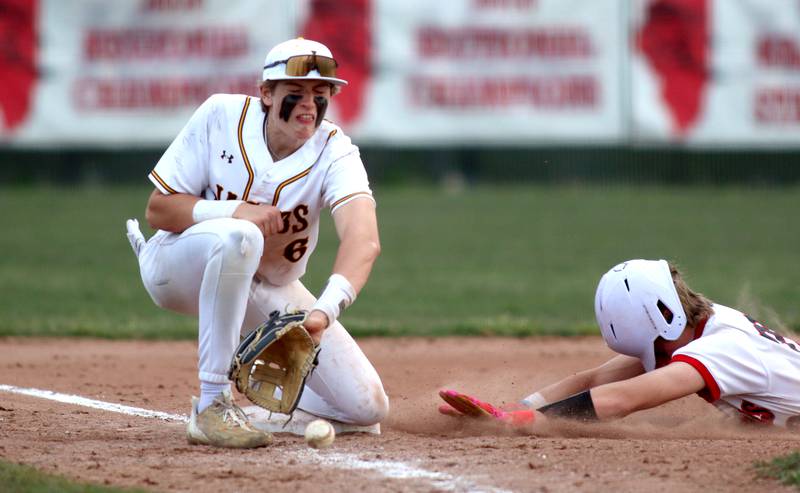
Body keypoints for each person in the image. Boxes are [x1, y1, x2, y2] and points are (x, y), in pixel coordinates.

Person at [125, 38, 389, 448]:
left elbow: (363, 239)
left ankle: (269, 416)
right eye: (295, 93)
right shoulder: (220, 116)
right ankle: (212, 405)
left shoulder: (335, 151)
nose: (309, 106)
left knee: (366, 408)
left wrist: (323, 312)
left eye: (321, 95)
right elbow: (159, 210)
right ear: (265, 93)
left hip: (267, 287)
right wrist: (233, 212)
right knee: (241, 235)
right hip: (176, 267)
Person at [439, 259, 800, 429]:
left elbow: (621, 400)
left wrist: (522, 423)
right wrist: (511, 408)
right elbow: (594, 381)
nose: (651, 357)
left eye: (652, 346)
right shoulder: (698, 327)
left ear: (664, 319)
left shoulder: (716, 351)